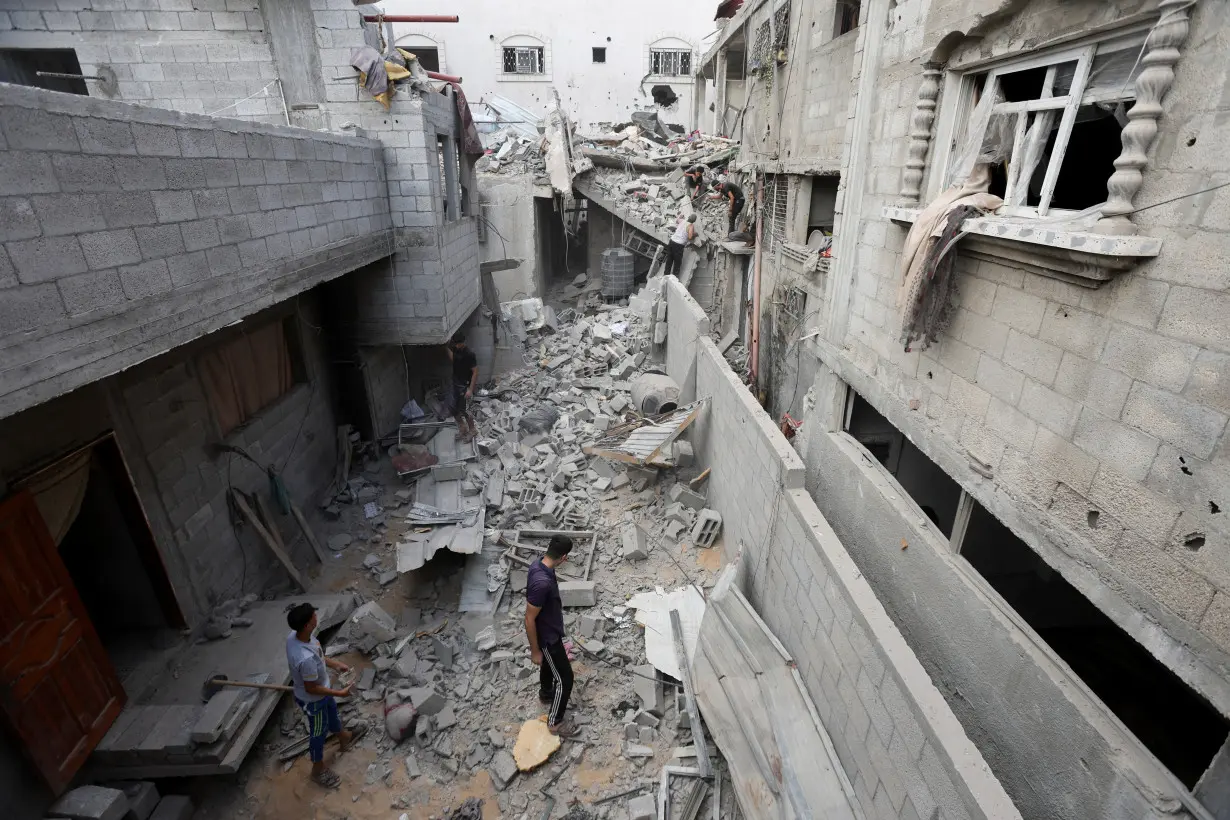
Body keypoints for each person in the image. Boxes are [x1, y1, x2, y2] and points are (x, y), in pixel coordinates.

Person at [285, 602, 364, 789]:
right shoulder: (305, 660)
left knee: (333, 714)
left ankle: (344, 737)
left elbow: (318, 655)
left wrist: (334, 664)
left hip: (322, 693)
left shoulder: (294, 637)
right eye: (313, 616)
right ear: (307, 625)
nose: (316, 617)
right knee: (318, 733)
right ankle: (318, 770)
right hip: (314, 701)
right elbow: (311, 688)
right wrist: (339, 692)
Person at [525, 535, 580, 738]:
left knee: (550, 666)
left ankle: (546, 694)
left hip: (549, 630)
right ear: (564, 557)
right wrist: (535, 650)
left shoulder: (539, 565)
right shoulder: (542, 583)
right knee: (565, 678)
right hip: (547, 638)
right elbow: (529, 619)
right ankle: (555, 722)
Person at [446, 334, 478, 441]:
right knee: (452, 407)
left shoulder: (470, 354)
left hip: (465, 385)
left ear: (463, 342)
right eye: (456, 344)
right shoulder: (455, 349)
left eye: (459, 344)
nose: (458, 346)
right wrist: (445, 346)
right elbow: (453, 359)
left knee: (464, 409)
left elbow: (475, 372)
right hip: (455, 383)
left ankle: (472, 430)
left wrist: (470, 389)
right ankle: (462, 428)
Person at [663, 213, 696, 279]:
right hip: (679, 245)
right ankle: (674, 278)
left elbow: (677, 220)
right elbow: (690, 237)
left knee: (669, 259)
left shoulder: (682, 221)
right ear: (694, 221)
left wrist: (680, 216)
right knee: (677, 262)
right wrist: (695, 234)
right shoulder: (691, 226)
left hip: (672, 241)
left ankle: (665, 275)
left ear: (688, 217)